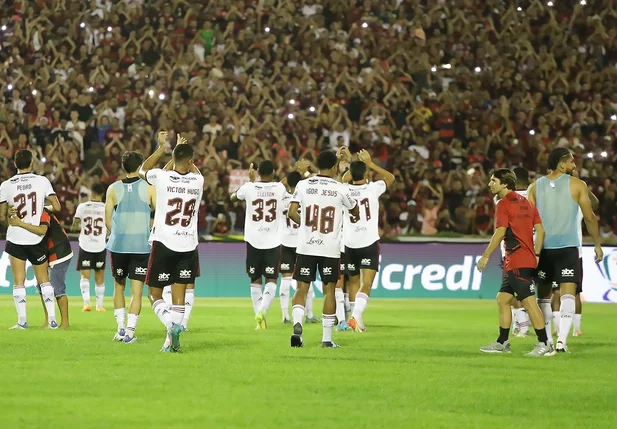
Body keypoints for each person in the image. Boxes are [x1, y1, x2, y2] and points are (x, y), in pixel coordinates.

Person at [527, 148, 603, 353]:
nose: (574, 165)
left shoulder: (534, 187)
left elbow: (528, 221)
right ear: (562, 164)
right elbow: (590, 217)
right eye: (571, 162)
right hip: (568, 248)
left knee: (543, 295)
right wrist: (597, 244)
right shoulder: (578, 185)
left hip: (543, 248)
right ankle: (562, 342)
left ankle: (547, 342)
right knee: (568, 294)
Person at [477, 169, 553, 356]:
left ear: (505, 184)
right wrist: (535, 253)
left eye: (493, 180)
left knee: (529, 302)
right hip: (525, 259)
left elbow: (501, 232)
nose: (490, 184)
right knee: (503, 299)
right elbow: (541, 231)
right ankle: (502, 342)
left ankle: (544, 343)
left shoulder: (503, 204)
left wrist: (486, 255)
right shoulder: (527, 203)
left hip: (516, 259)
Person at [287, 150, 358, 348]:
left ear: (317, 166)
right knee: (329, 291)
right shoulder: (340, 188)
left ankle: (298, 326)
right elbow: (355, 210)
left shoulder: (303, 184)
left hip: (306, 245)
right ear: (335, 167)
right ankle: (327, 339)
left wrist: (306, 226)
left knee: (302, 287)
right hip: (329, 247)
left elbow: (292, 213)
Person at [140, 132, 203, 352]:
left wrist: (161, 148)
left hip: (164, 243)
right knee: (179, 297)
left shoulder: (163, 177)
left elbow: (142, 170)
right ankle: (171, 342)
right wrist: (181, 155)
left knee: (154, 294)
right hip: (188, 245)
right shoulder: (198, 180)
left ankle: (170, 326)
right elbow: (189, 168)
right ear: (192, 161)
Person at [0, 149, 61, 329]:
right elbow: (56, 206)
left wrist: (11, 217)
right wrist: (42, 207)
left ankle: (22, 321)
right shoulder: (42, 181)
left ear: (15, 164)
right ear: (32, 163)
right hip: (36, 237)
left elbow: (2, 217)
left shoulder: (6, 185)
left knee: (19, 280)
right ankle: (52, 320)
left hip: (16, 237)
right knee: (44, 279)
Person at [342, 149, 395, 333]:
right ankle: (356, 316)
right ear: (365, 173)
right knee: (366, 284)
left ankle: (358, 320)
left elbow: (343, 180)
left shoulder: (344, 189)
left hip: (349, 243)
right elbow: (391, 177)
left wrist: (351, 163)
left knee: (353, 282)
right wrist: (370, 163)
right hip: (369, 242)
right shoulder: (373, 188)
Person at [231, 160, 287, 330]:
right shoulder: (279, 188)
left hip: (253, 240)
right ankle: (262, 311)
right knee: (271, 279)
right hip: (273, 241)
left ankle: (259, 319)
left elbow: (233, 197)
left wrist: (251, 182)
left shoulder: (249, 187)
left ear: (257, 172)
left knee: (255, 279)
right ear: (274, 172)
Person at [106, 151, 155, 343]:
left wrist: (117, 233)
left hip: (119, 245)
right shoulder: (150, 188)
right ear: (140, 165)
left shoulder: (113, 188)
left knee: (119, 287)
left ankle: (120, 329)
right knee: (137, 291)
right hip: (141, 245)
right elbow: (158, 215)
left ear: (122, 165)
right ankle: (130, 332)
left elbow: (107, 219)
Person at [22, 208, 74, 328]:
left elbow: (42, 231)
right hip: (49, 252)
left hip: (59, 252)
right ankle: (48, 320)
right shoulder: (38, 212)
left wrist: (21, 224)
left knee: (57, 287)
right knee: (42, 286)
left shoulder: (43, 212)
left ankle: (65, 323)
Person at [73, 183, 108, 312]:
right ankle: (100, 306)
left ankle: (86, 304)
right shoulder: (106, 208)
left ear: (91, 193)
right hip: (100, 245)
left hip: (85, 245)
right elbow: (110, 226)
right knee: (100, 277)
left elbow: (75, 225)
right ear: (103, 194)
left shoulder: (82, 207)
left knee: (85, 276)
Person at [279, 170, 303, 324]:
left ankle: (285, 315)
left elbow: (278, 185)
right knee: (304, 280)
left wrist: (290, 177)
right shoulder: (305, 197)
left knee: (285, 279)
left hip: (285, 242)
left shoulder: (280, 197)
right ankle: (309, 314)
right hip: (302, 242)